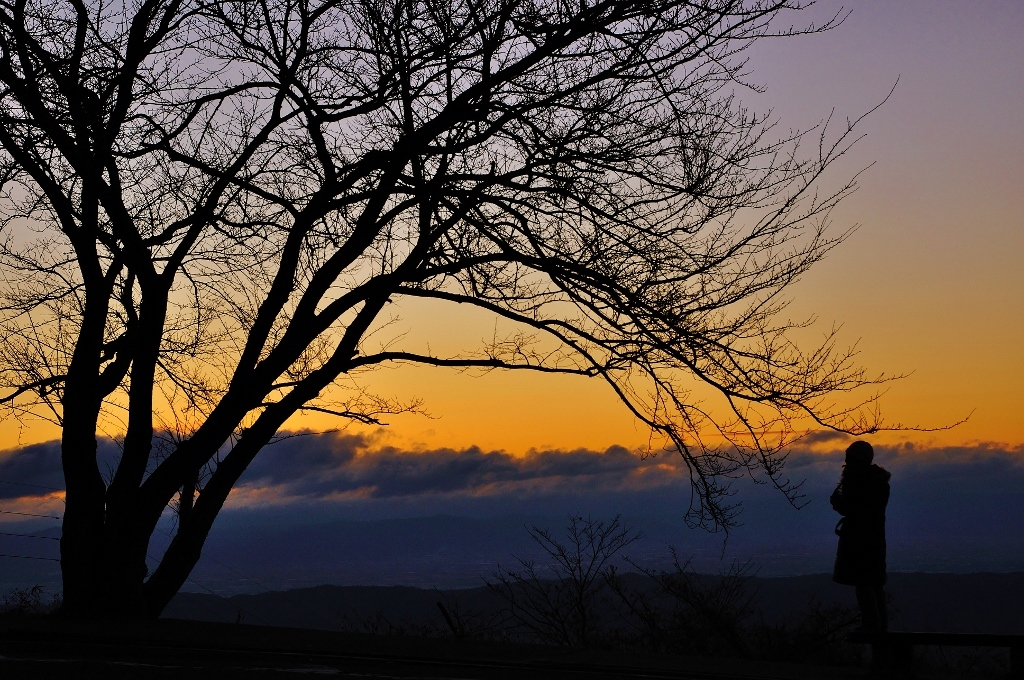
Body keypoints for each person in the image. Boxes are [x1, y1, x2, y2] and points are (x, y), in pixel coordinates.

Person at [830, 440, 891, 632]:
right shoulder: (879, 481)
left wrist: (837, 502)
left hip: (858, 539)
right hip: (875, 538)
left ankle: (871, 626)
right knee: (874, 583)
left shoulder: (856, 480)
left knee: (863, 583)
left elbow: (851, 508)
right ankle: (880, 626)